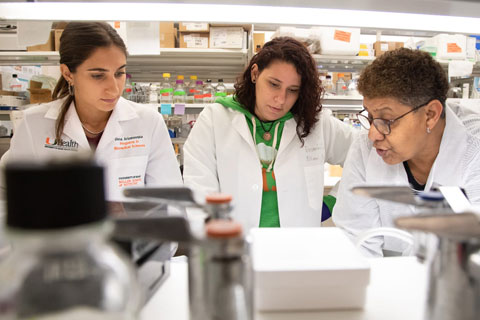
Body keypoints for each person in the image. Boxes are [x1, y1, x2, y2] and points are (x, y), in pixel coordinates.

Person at [183, 37, 355, 231]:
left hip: (298, 248)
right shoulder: (215, 119)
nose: (280, 99)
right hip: (236, 246)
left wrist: (334, 201)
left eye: (292, 90)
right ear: (255, 74)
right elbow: (198, 188)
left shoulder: (316, 123)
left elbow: (363, 156)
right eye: (274, 84)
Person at [3, 22, 182, 201]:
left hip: (128, 229)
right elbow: (8, 194)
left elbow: (169, 198)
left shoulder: (148, 122)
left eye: (119, 73)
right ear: (68, 74)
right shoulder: (34, 123)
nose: (113, 89)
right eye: (98, 75)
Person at [333, 48, 480, 257]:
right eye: (371, 117)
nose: (373, 134)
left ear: (430, 115)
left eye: (386, 120)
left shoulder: (474, 151)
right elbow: (356, 239)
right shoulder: (365, 149)